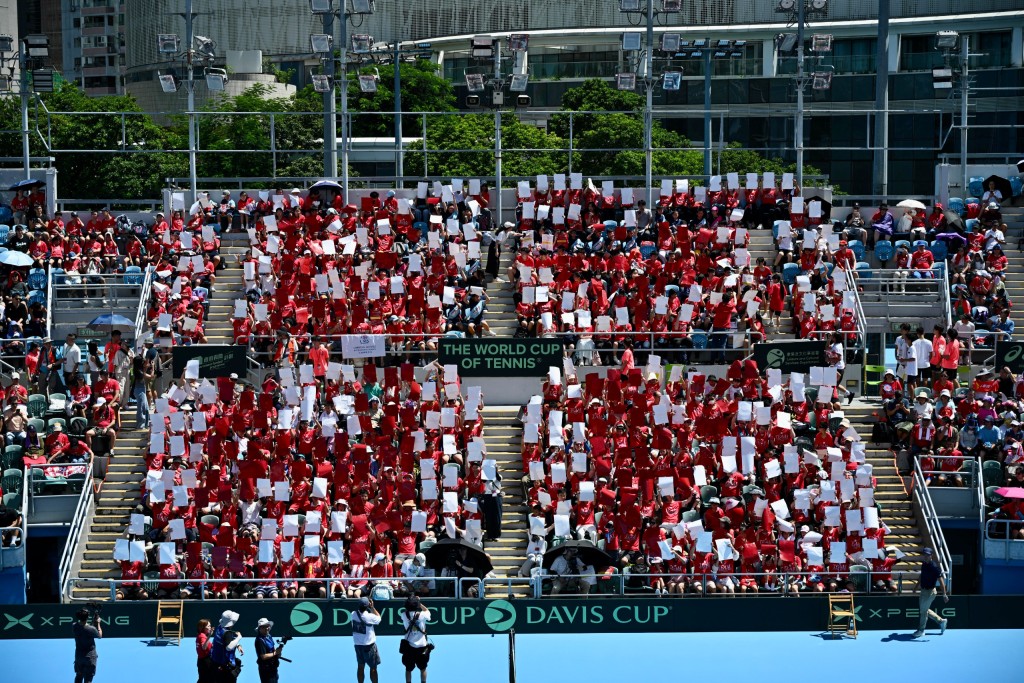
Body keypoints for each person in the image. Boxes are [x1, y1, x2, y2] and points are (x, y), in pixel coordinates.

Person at [912, 548, 949, 638]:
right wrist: (916, 587)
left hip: (930, 592)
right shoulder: (924, 564)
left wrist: (944, 594)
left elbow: (941, 582)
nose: (926, 556)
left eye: (928, 555)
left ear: (931, 555)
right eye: (925, 554)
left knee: (923, 611)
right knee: (924, 610)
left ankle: (921, 630)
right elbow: (922, 576)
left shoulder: (934, 567)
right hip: (923, 591)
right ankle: (941, 621)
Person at [400, 596, 432, 683]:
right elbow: (427, 611)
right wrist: (419, 602)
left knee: (408, 669)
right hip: (422, 647)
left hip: (408, 648)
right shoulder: (423, 615)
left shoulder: (403, 615)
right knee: (423, 668)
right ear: (417, 605)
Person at [351, 596, 382, 683]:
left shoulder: (353, 614)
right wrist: (372, 607)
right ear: (367, 605)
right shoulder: (370, 617)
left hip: (358, 646)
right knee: (373, 668)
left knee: (360, 666)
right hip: (369, 647)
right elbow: (379, 618)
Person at [210, 610, 244, 683]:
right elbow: (228, 647)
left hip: (216, 663)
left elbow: (226, 640)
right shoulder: (227, 633)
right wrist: (239, 637)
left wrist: (237, 645)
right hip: (225, 668)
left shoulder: (220, 627)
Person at [72, 607, 102, 683]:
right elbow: (99, 635)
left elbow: (86, 628)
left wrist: (93, 623)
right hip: (90, 657)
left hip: (79, 657)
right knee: (88, 679)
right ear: (87, 617)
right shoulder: (91, 629)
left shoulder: (74, 625)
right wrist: (98, 623)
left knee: (79, 676)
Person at [254, 617, 282, 683]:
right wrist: (275, 653)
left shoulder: (269, 636)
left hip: (273, 669)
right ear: (260, 628)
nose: (267, 628)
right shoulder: (259, 640)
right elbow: (263, 656)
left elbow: (273, 648)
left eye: (268, 626)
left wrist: (277, 653)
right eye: (265, 627)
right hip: (266, 671)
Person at [196, 619, 216, 683]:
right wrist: (210, 635)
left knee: (202, 679)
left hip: (200, 661)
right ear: (203, 628)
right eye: (208, 626)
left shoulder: (200, 635)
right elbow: (204, 647)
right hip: (205, 662)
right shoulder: (202, 637)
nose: (210, 627)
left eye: (210, 626)